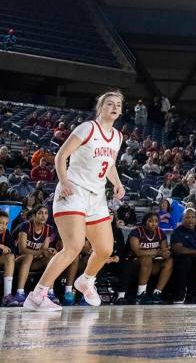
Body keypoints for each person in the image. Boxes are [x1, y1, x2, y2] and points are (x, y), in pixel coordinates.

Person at [23, 91, 125, 311]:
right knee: (74, 246)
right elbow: (61, 155)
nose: (115, 107)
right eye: (110, 104)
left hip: (97, 197)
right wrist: (64, 181)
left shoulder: (118, 136)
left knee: (105, 249)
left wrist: (117, 183)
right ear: (101, 108)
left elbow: (110, 165)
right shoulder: (87, 128)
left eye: (118, 104)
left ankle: (86, 280)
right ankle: (37, 296)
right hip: (73, 192)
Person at [119, 212, 173, 304]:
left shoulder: (161, 233)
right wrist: (156, 252)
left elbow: (164, 252)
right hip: (133, 264)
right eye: (150, 221)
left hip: (151, 265)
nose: (154, 223)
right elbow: (137, 252)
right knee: (146, 258)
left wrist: (166, 253)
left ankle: (157, 293)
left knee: (169, 261)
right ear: (145, 222)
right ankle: (141, 293)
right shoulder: (136, 232)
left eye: (156, 221)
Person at [0, 211, 17, 304]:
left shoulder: (6, 232)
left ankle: (7, 295)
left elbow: (14, 250)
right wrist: (1, 246)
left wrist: (8, 250)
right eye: (1, 223)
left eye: (6, 224)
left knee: (10, 257)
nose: (4, 226)